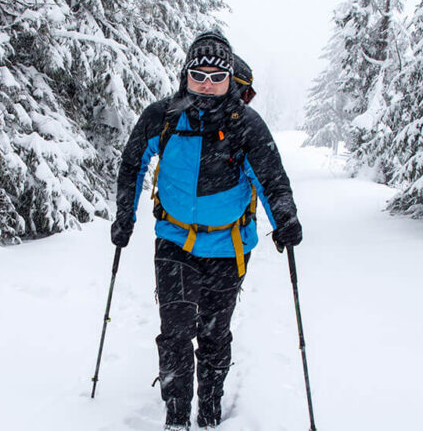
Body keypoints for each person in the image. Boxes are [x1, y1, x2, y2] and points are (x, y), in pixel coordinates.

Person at [111, 30, 302, 431]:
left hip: (228, 245)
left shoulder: (246, 125)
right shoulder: (162, 116)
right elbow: (132, 163)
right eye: (199, 75)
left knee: (214, 333)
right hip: (175, 240)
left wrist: (285, 219)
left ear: (231, 80)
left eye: (218, 78)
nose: (208, 85)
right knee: (175, 332)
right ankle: (177, 415)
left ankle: (210, 408)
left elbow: (271, 178)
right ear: (186, 75)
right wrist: (124, 215)